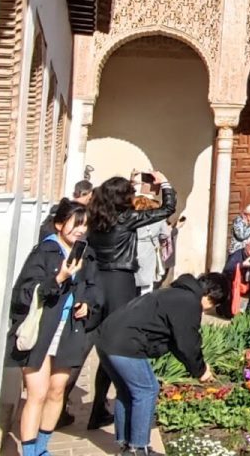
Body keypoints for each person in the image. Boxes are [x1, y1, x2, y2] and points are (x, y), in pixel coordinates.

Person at [7, 200, 103, 456]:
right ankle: (28, 452)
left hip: (69, 328)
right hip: (42, 328)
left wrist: (86, 303)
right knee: (37, 393)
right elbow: (23, 294)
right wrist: (58, 278)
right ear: (60, 224)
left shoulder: (86, 254)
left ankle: (41, 447)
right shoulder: (45, 252)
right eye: (75, 224)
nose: (81, 230)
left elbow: (94, 287)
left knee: (57, 390)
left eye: (84, 225)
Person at [96, 272, 228, 456]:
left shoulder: (175, 293)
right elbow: (188, 342)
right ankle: (138, 449)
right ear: (210, 295)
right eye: (214, 304)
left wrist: (198, 367)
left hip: (106, 338)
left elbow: (176, 342)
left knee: (127, 390)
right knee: (147, 389)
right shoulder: (189, 302)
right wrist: (201, 370)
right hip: (125, 344)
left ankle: (127, 444)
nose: (207, 310)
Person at [83, 173, 178, 429]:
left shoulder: (94, 219)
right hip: (120, 282)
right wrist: (164, 183)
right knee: (117, 345)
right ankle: (124, 403)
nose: (133, 197)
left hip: (97, 281)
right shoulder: (126, 219)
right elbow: (168, 208)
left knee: (99, 346)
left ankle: (97, 407)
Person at [133, 192, 167, 295]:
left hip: (133, 248)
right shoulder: (158, 219)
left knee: (131, 281)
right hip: (149, 251)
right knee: (147, 286)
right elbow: (165, 234)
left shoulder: (131, 218)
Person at [223, 236, 250, 315]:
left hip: (247, 282)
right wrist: (242, 265)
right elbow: (227, 270)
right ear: (246, 246)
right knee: (229, 314)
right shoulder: (237, 255)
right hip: (233, 283)